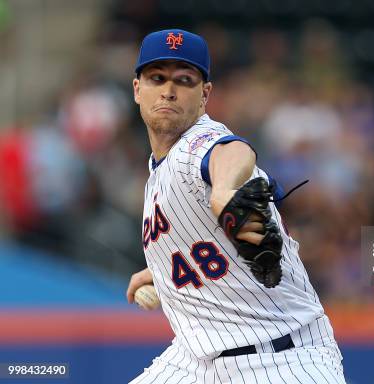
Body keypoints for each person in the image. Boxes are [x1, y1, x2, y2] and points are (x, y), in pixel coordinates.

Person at [125, 28, 346, 383]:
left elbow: (231, 152)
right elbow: (206, 241)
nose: (168, 90)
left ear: (205, 95)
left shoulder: (197, 143)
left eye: (184, 80)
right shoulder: (158, 170)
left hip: (282, 361)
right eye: (156, 78)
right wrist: (162, 272)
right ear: (138, 89)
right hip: (194, 361)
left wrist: (226, 189)